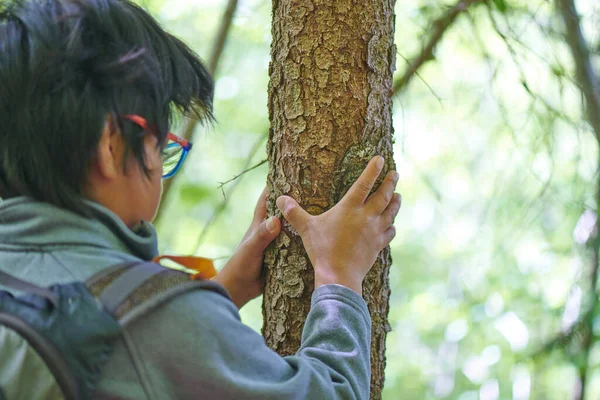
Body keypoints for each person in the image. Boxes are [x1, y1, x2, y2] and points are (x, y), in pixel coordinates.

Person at [0, 0, 402, 398]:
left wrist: (219, 295)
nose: (160, 165)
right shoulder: (159, 322)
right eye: (163, 146)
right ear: (111, 145)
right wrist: (339, 279)